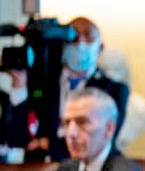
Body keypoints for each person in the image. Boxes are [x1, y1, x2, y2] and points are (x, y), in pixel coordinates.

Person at [8, 16, 129, 162]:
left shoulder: (114, 89)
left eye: (88, 36)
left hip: (89, 169)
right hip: (39, 170)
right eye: (73, 37)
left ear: (100, 48)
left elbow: (100, 140)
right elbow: (18, 137)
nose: (80, 43)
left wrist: (47, 144)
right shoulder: (44, 83)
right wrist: (19, 83)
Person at [97, 47, 145, 151]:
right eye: (105, 70)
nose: (111, 75)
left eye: (116, 69)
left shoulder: (140, 108)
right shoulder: (92, 109)